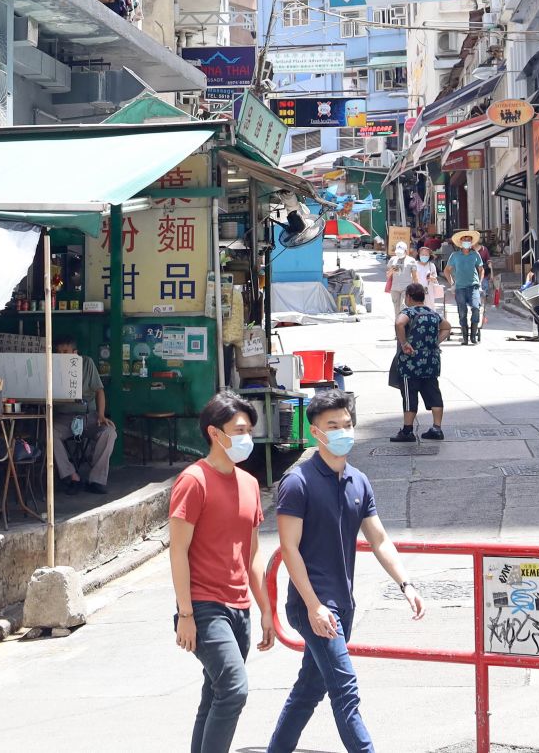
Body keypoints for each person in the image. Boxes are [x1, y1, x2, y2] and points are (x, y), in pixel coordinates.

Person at [268, 392, 425, 753]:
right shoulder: (297, 482)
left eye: (347, 425)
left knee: (309, 689)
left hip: (343, 604)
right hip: (313, 606)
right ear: (315, 433)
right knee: (345, 688)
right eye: (332, 426)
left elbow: (380, 539)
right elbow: (289, 549)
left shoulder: (359, 481)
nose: (342, 432)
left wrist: (406, 584)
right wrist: (312, 605)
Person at [169, 392, 273, 753]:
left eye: (249, 429)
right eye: (239, 430)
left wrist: (266, 610)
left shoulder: (249, 484)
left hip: (239, 607)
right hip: (204, 605)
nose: (247, 437)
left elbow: (253, 552)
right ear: (215, 433)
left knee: (214, 694)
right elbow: (178, 551)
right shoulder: (193, 481)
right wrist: (186, 614)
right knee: (233, 690)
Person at [52, 335, 117, 495]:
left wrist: (101, 415)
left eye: (65, 351)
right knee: (49, 434)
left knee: (109, 433)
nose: (61, 355)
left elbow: (99, 391)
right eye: (58, 352)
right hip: (64, 418)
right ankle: (71, 476)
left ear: (75, 352)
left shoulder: (86, 363)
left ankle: (96, 480)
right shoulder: (51, 365)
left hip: (89, 416)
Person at [390, 282, 450, 443]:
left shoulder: (408, 312)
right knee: (433, 393)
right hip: (431, 361)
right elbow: (447, 327)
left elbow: (399, 323)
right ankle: (436, 429)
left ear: (408, 297)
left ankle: (407, 430)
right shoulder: (432, 313)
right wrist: (435, 342)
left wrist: (404, 344)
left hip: (411, 362)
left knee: (410, 395)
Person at [443, 229, 485, 344]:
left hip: (474, 286)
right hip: (460, 287)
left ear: (471, 242)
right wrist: (452, 283)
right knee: (462, 312)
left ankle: (473, 336)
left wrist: (480, 282)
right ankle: (465, 337)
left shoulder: (475, 254)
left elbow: (481, 269)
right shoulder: (455, 255)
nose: (466, 241)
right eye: (464, 240)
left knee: (476, 308)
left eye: (468, 240)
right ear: (460, 242)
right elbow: (446, 271)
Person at [385, 241, 413, 316]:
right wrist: (392, 270)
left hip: (407, 288)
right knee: (396, 309)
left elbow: (415, 275)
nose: (399, 254)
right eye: (398, 252)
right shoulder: (392, 260)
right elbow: (388, 275)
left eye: (401, 252)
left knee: (403, 308)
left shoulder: (411, 260)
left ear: (406, 251)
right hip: (395, 288)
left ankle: (404, 324)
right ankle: (398, 325)